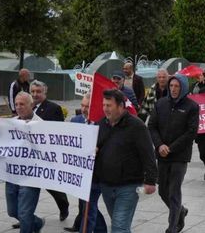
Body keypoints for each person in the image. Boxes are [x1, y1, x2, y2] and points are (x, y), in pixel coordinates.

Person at [96, 89, 157, 233]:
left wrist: (151, 181)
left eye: (109, 105)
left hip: (128, 186)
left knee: (119, 226)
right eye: (104, 105)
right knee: (120, 225)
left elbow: (148, 154)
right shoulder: (100, 125)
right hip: (106, 185)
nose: (105, 109)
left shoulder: (137, 126)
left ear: (121, 106)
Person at [148, 74, 199, 233]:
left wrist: (171, 147)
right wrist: (160, 145)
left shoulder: (192, 106)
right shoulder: (161, 104)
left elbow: (191, 132)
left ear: (183, 87)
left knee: (173, 192)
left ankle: (172, 227)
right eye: (171, 86)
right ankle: (180, 211)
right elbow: (152, 126)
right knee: (163, 191)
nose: (173, 89)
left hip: (179, 156)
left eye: (177, 86)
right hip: (162, 155)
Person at [64, 93, 107, 233]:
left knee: (88, 207)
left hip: (96, 173)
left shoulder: (103, 122)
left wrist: (98, 148)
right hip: (80, 172)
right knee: (87, 206)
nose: (83, 109)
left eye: (87, 107)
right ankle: (101, 229)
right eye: (82, 105)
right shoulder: (76, 120)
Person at [4, 92, 46, 233]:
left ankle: (29, 226)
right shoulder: (11, 123)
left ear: (31, 105)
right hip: (13, 175)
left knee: (24, 214)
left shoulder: (41, 124)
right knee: (12, 211)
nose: (18, 107)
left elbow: (46, 152)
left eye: (22, 104)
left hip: (31, 177)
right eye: (16, 104)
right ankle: (37, 223)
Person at [30, 80, 69, 221]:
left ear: (45, 93)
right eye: (33, 91)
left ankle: (63, 205)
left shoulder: (53, 108)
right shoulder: (26, 106)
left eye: (38, 92)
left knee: (51, 186)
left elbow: (58, 133)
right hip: (29, 155)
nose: (35, 94)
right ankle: (25, 216)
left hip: (46, 155)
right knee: (27, 190)